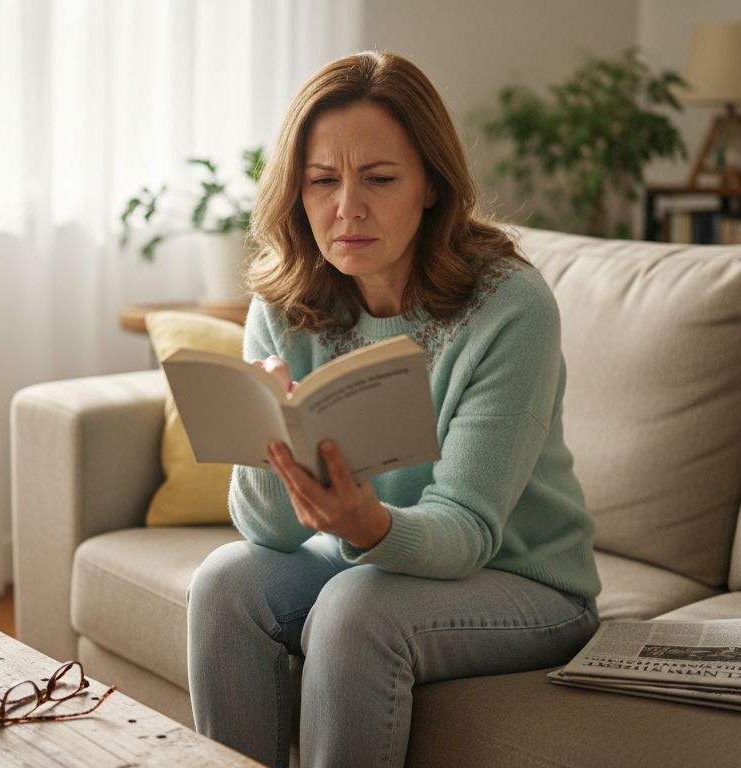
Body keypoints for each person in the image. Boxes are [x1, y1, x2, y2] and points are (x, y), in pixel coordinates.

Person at [186, 51, 601, 768]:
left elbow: (469, 527)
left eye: (379, 179)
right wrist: (268, 435)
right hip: (382, 560)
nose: (347, 206)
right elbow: (268, 534)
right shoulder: (285, 299)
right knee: (225, 581)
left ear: (432, 187)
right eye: (322, 181)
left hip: (525, 581)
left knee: (356, 612)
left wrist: (366, 525)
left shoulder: (509, 307)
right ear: (296, 191)